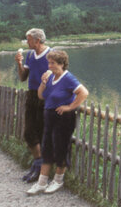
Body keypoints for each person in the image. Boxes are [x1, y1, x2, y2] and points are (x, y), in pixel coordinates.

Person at [27, 49, 88, 195]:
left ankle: (58, 180)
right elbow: (41, 96)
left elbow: (83, 92)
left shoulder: (68, 78)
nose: (49, 66)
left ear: (61, 64)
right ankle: (42, 182)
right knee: (47, 147)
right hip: (49, 117)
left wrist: (70, 107)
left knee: (60, 148)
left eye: (52, 63)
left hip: (63, 119)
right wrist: (42, 83)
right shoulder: (51, 77)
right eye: (49, 62)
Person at [15, 28, 49, 183]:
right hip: (32, 95)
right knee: (29, 132)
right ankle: (38, 163)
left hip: (46, 98)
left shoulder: (51, 55)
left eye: (28, 39)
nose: (26, 42)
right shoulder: (30, 55)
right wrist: (19, 63)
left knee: (42, 133)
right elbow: (23, 77)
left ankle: (41, 170)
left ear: (37, 40)